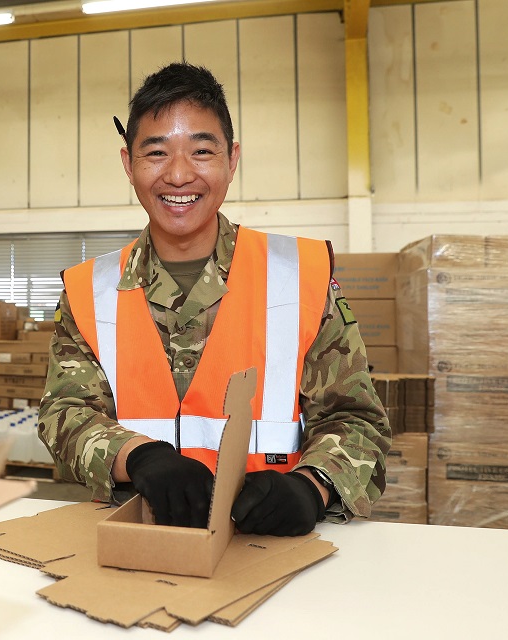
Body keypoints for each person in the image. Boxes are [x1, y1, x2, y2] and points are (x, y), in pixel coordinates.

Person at [37, 62, 392, 536]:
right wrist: (134, 455)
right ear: (128, 164)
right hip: (135, 538)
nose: (179, 175)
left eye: (202, 151)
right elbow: (65, 415)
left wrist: (313, 486)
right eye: (156, 153)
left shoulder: (299, 275)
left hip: (270, 545)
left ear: (232, 159)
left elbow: (357, 419)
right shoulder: (89, 291)